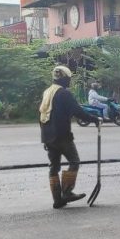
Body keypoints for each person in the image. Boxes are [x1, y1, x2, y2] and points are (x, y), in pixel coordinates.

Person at [39, 66, 100, 209]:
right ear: (65, 79)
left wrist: (45, 138)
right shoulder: (63, 93)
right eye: (69, 79)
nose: (69, 82)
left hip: (48, 136)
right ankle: (67, 192)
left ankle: (57, 199)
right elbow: (77, 111)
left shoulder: (47, 92)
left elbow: (41, 115)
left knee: (53, 167)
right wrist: (94, 119)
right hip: (61, 136)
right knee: (74, 161)